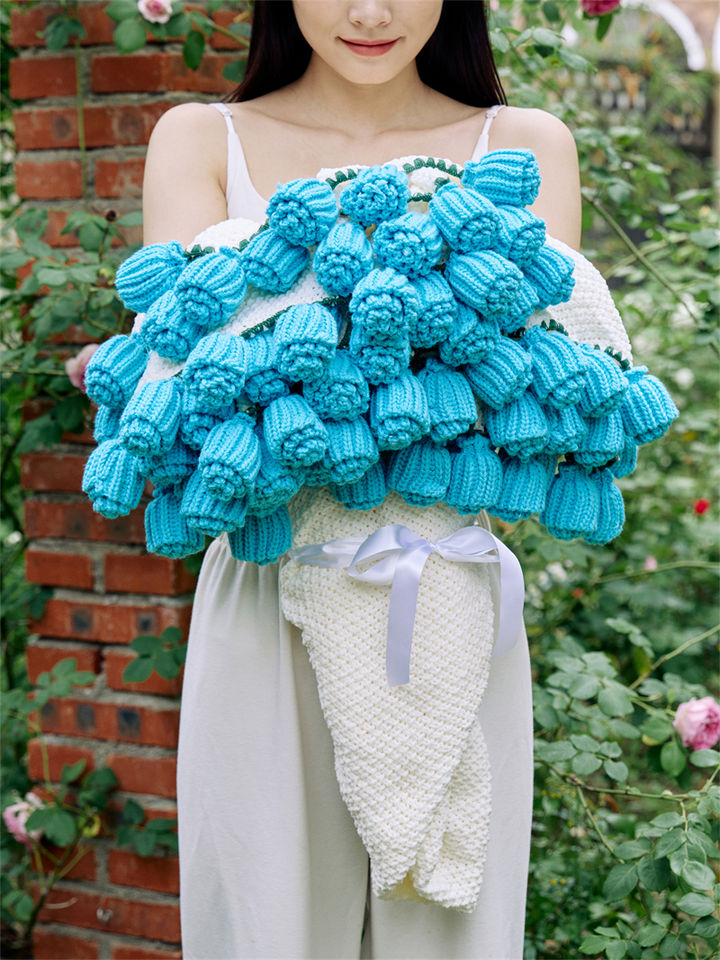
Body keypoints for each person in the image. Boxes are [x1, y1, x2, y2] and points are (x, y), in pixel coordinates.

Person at [141, 2, 582, 957]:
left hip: (450, 591)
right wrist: (431, 326)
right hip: (268, 595)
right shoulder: (202, 139)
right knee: (264, 929)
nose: (370, 12)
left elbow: (537, 412)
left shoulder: (524, 145)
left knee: (450, 933)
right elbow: (184, 399)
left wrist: (289, 329)